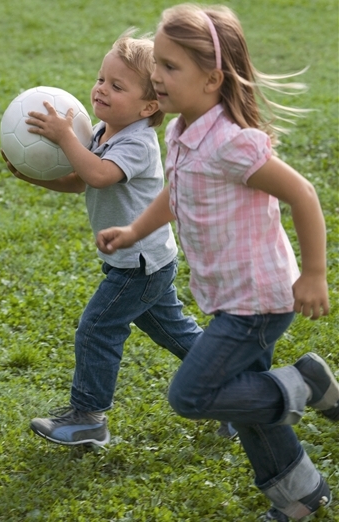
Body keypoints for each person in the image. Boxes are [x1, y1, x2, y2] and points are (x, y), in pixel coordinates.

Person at [96, 5, 338, 521]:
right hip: (233, 297)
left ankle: (307, 383)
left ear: (213, 79)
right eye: (156, 63)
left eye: (170, 67)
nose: (156, 76)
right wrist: (136, 229)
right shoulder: (183, 130)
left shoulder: (231, 142)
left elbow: (303, 193)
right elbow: (177, 190)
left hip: (258, 301)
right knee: (243, 401)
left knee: (194, 394)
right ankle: (301, 493)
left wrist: (314, 274)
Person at [2, 31, 234, 448]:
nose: (100, 89)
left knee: (96, 328)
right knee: (176, 334)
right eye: (100, 79)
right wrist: (33, 176)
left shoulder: (139, 142)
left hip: (140, 265)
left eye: (117, 85)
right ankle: (236, 388)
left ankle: (89, 417)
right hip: (141, 262)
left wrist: (63, 137)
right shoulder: (102, 131)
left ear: (149, 106)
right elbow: (79, 183)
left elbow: (99, 175)